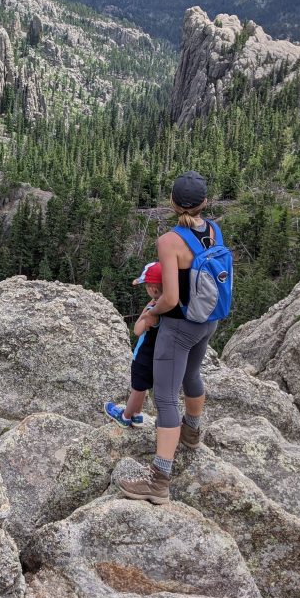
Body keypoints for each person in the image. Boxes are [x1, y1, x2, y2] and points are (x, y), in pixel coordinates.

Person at [119, 171, 229, 505]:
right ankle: (192, 432)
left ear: (171, 203)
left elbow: (169, 297)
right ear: (204, 203)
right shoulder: (213, 229)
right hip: (207, 322)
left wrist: (151, 313)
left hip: (179, 327)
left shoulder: (169, 242)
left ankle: (158, 481)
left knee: (165, 398)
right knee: (192, 376)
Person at [104, 261, 163, 428]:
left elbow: (137, 330)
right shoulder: (167, 306)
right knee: (143, 386)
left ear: (153, 289)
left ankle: (126, 415)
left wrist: (144, 315)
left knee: (137, 387)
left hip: (144, 356)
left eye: (146, 286)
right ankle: (137, 414)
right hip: (156, 356)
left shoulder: (154, 310)